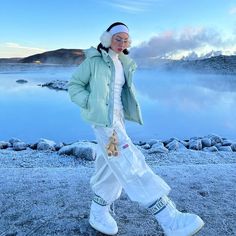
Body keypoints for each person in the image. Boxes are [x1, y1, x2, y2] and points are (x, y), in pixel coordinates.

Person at [68, 22, 204, 236]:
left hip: (118, 121)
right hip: (106, 125)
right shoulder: (93, 61)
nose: (122, 43)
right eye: (117, 38)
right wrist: (91, 103)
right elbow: (74, 85)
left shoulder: (123, 62)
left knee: (111, 163)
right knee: (127, 160)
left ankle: (98, 209)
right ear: (107, 39)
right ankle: (169, 217)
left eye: (125, 40)